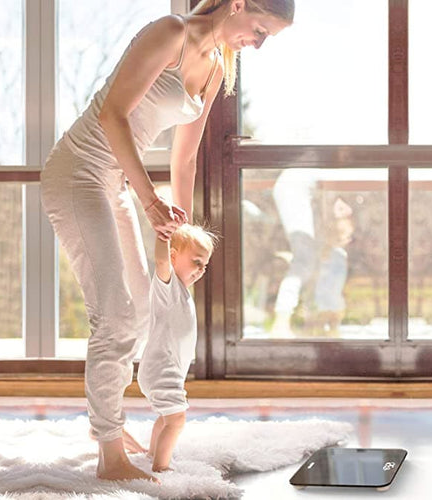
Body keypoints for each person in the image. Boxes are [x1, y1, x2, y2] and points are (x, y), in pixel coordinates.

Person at [40, 0, 294, 482]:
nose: (258, 44)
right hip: (77, 174)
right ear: (238, 4)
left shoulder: (218, 65)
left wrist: (185, 239)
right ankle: (110, 457)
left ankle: (103, 430)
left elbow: (185, 161)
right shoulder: (169, 32)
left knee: (138, 310)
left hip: (113, 181)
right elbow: (114, 115)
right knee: (114, 316)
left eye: (267, 39)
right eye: (259, 29)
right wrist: (148, 200)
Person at [137, 224, 216, 472]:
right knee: (176, 419)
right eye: (196, 262)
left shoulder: (181, 291)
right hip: (162, 369)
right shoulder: (167, 286)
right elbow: (160, 260)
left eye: (205, 265)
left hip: (167, 369)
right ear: (173, 256)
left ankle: (152, 453)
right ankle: (161, 466)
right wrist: (163, 233)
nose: (201, 270)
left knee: (166, 416)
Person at [271, 169, 353, 337]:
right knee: (305, 261)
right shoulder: (296, 179)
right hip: (297, 186)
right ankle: (282, 321)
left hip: (310, 187)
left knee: (327, 258)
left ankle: (319, 321)